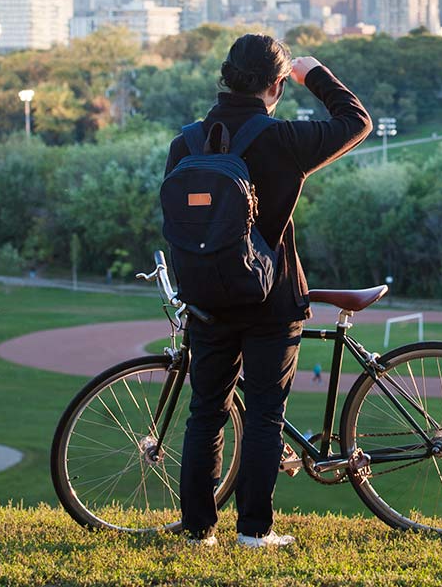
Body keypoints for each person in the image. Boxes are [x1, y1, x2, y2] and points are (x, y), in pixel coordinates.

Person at [165, 34, 371, 549]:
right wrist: (316, 74)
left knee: (206, 412)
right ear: (277, 84)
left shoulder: (186, 143)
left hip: (206, 301)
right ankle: (255, 531)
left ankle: (197, 531)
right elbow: (356, 122)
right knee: (263, 416)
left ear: (226, 75)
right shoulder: (281, 140)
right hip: (270, 301)